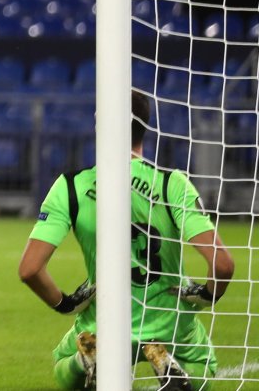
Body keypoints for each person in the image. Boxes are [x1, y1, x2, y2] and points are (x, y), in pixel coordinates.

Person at [18, 91, 235, 390]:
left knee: (62, 366)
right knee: (204, 369)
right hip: (169, 322)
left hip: (103, 323)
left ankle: (84, 359)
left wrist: (66, 304)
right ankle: (172, 368)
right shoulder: (171, 184)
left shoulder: (70, 187)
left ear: (100, 124)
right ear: (145, 126)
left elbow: (29, 269)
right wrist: (207, 294)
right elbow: (223, 264)